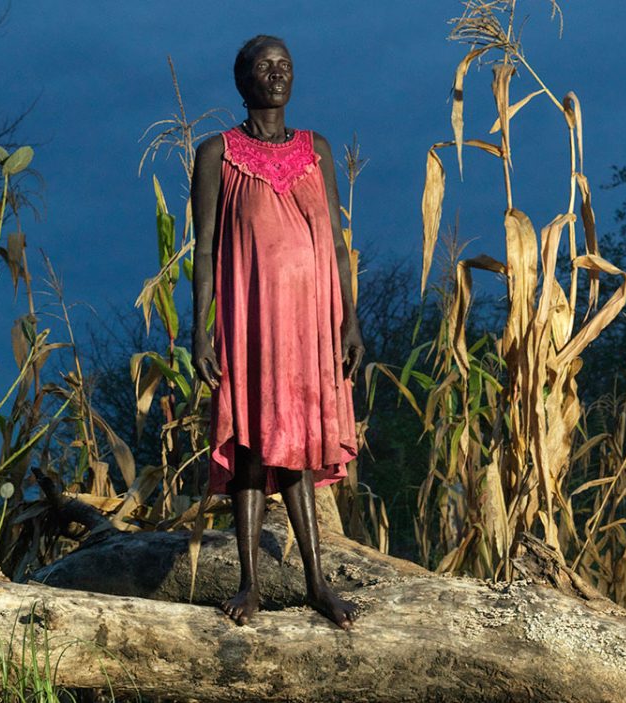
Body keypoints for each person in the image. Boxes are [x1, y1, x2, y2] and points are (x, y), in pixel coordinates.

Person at [190, 34, 363, 630]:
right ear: (242, 80)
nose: (277, 74)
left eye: (286, 64)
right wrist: (201, 332)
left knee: (298, 449)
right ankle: (249, 585)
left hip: (311, 324)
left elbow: (337, 245)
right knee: (249, 444)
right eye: (265, 66)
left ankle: (317, 583)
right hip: (249, 321)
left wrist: (350, 321)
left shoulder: (316, 149)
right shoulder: (218, 153)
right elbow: (205, 252)